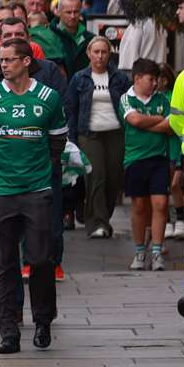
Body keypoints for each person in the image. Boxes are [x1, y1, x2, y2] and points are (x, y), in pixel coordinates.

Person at [0, 39, 67, 353]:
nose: (2, 65)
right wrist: (1, 170)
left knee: (41, 258)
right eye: (0, 60)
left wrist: (36, 169)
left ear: (27, 62)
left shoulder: (48, 98)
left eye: (10, 60)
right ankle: (8, 331)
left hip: (36, 190)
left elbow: (57, 143)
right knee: (2, 263)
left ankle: (43, 320)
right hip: (0, 191)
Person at [66, 36, 127, 239]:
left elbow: (129, 104)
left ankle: (104, 218)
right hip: (89, 134)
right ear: (88, 54)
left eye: (104, 52)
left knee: (114, 179)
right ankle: (97, 223)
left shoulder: (119, 78)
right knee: (96, 176)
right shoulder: (79, 78)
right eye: (96, 52)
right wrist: (72, 138)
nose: (100, 56)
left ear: (109, 54)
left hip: (116, 132)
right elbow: (71, 110)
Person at [121, 58, 173, 272]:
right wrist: (156, 119)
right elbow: (134, 121)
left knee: (160, 204)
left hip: (159, 158)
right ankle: (140, 250)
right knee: (139, 206)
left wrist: (147, 122)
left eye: (156, 79)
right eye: (151, 79)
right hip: (135, 159)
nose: (155, 83)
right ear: (137, 79)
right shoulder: (127, 98)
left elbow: (171, 126)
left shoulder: (163, 99)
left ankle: (157, 252)